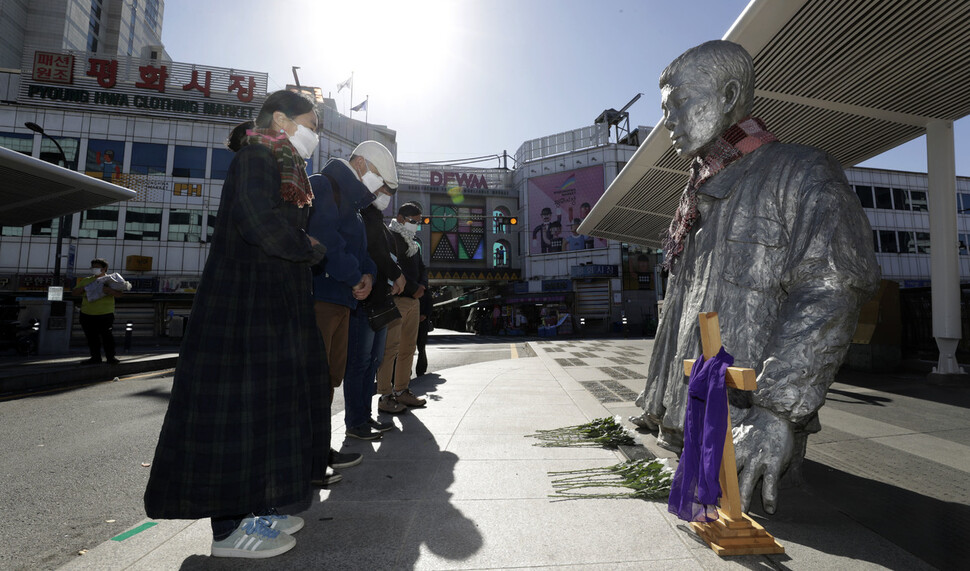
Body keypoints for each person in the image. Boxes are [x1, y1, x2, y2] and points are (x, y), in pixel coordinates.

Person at [630, 40, 880, 515]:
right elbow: (682, 310)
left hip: (749, 428)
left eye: (680, 103)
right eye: (665, 110)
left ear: (727, 96)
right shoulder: (696, 195)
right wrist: (657, 404)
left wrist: (777, 411)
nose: (669, 122)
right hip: (694, 431)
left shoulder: (803, 173)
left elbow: (831, 288)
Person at [143, 90, 329, 559]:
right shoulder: (256, 158)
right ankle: (227, 530)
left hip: (269, 304)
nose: (316, 134)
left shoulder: (284, 163)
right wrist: (309, 247)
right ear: (283, 121)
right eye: (313, 123)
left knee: (264, 414)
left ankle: (256, 508)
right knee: (232, 415)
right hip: (241, 304)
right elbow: (256, 221)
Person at [306, 142, 392, 465]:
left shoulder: (355, 209)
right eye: (377, 176)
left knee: (329, 378)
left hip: (342, 300)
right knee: (315, 380)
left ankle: (318, 452)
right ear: (358, 162)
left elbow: (363, 254)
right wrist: (357, 276)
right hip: (322, 297)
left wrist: (367, 274)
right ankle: (309, 457)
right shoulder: (323, 185)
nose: (379, 186)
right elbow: (326, 240)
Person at [341, 140, 407, 438]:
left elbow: (381, 250)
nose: (383, 197)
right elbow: (375, 251)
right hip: (363, 297)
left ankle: (364, 418)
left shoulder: (372, 213)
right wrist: (394, 272)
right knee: (360, 362)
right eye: (382, 189)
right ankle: (355, 422)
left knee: (373, 362)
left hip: (377, 295)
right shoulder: (355, 205)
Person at [377, 202, 428, 411]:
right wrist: (413, 287)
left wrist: (422, 286)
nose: (416, 225)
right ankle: (385, 395)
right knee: (390, 349)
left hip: (414, 301)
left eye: (419, 221)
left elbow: (422, 267)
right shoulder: (391, 237)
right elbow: (392, 267)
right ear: (400, 218)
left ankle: (401, 390)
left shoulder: (414, 242)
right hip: (397, 299)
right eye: (413, 221)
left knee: (408, 348)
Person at [71, 258, 124, 364]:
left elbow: (120, 294)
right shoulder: (86, 280)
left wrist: (109, 290)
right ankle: (95, 357)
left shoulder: (111, 280)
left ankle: (110, 357)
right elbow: (74, 293)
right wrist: (86, 288)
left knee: (107, 337)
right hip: (87, 314)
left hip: (105, 314)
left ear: (104, 268)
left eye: (97, 267)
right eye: (93, 267)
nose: (94, 269)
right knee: (91, 338)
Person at [415, 284, 431, 376]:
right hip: (415, 321)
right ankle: (419, 369)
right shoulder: (426, 291)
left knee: (421, 347)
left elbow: (429, 305)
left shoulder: (425, 291)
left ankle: (421, 368)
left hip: (422, 322)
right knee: (418, 347)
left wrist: (424, 315)